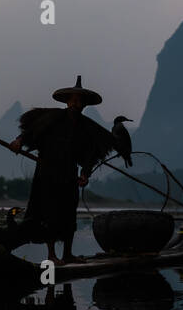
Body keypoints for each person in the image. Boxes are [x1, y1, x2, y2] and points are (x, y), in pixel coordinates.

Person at [8, 76, 120, 265]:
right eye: (73, 99)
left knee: (69, 214)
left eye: (80, 101)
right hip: (47, 172)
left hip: (69, 174)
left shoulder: (87, 128)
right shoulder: (51, 118)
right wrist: (18, 142)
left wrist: (85, 174)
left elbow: (91, 155)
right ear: (67, 101)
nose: (76, 103)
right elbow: (32, 133)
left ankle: (68, 254)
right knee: (49, 213)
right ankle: (51, 255)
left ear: (85, 105)